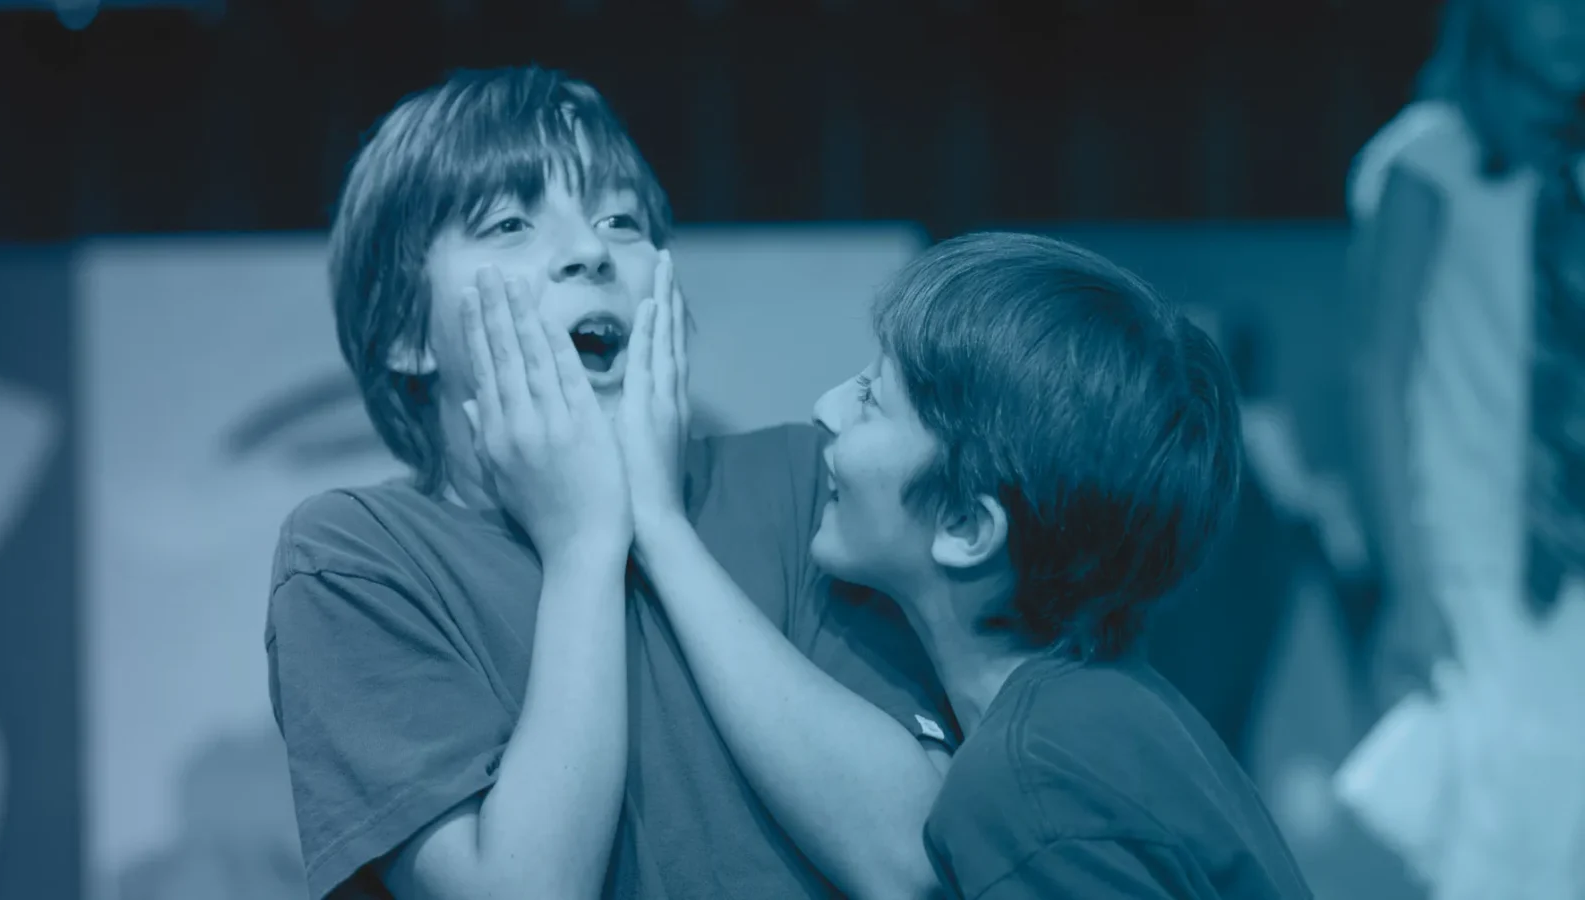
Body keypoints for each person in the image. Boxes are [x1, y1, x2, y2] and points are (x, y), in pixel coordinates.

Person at [264, 65, 954, 900]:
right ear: (406, 332)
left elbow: (907, 860)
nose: (589, 252)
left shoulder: (807, 479)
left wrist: (659, 525)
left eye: (620, 219)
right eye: (509, 223)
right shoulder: (356, 555)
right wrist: (585, 546)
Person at [803, 232, 1313, 898]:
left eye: (872, 399)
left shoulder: (1027, 784)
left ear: (964, 526)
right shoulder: (1108, 712)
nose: (826, 408)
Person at [1334, 0, 1585, 894]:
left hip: (1577, 562)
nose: (1570, 22)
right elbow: (1375, 372)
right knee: (1500, 850)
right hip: (1477, 559)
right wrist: (1404, 584)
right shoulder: (1428, 158)